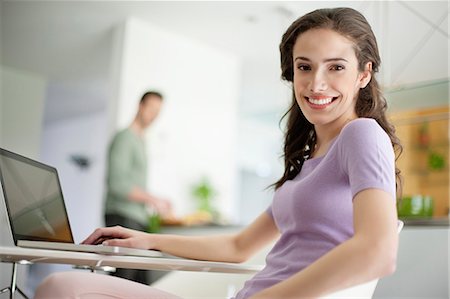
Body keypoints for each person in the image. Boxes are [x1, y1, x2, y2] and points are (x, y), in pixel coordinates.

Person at [34, 7, 402, 299]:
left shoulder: (362, 134)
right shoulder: (311, 158)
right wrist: (146, 239)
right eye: (304, 67)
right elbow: (239, 245)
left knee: (62, 289)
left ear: (364, 74)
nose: (316, 83)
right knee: (61, 287)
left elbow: (378, 252)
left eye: (336, 67)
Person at [103, 90, 173, 284]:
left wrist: (156, 199)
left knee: (140, 281)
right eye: (151, 109)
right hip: (122, 216)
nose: (154, 116)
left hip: (136, 218)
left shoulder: (141, 141)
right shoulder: (125, 138)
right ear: (140, 106)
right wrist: (153, 200)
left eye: (158, 112)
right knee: (123, 280)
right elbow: (117, 184)